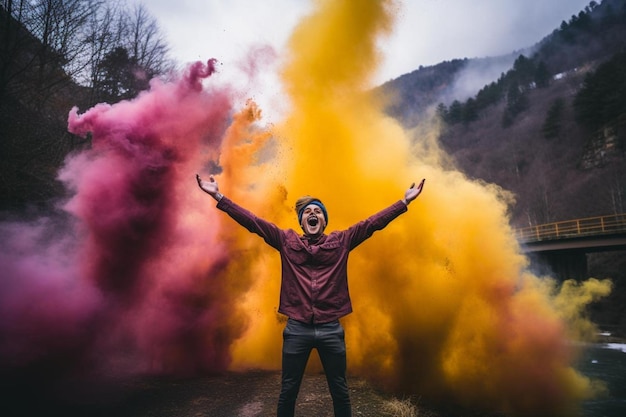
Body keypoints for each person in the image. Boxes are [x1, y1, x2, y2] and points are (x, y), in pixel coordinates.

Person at [196, 174, 425, 417]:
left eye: (318, 211)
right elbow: (253, 222)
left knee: (339, 390)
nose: (312, 214)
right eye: (307, 211)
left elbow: (372, 224)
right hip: (297, 329)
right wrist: (217, 195)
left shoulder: (342, 241)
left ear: (324, 220)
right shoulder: (285, 240)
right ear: (301, 221)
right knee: (288, 390)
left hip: (330, 329)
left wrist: (404, 202)